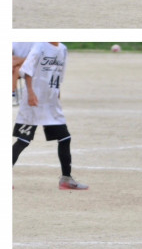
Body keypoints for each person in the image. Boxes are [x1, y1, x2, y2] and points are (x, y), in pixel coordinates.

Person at [12, 42, 88, 190]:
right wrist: (31, 93)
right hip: (33, 102)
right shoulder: (40, 46)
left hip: (51, 103)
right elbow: (27, 71)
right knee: (23, 141)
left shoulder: (63, 49)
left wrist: (57, 97)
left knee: (65, 138)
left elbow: (59, 77)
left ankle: (66, 179)